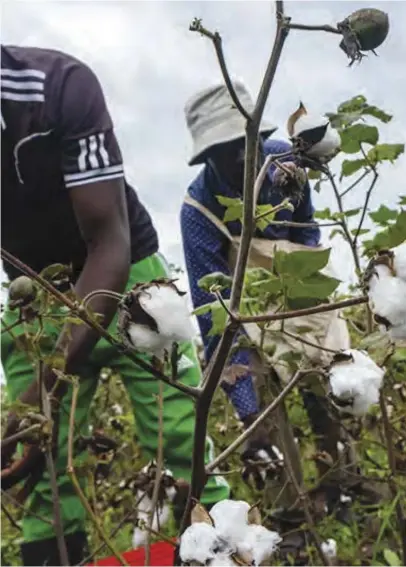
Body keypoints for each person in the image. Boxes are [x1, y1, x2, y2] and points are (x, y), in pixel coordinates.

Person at [0, 45, 229, 566]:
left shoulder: (57, 88)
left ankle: (221, 546)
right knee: (45, 468)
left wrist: (35, 397)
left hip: (128, 282)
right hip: (35, 300)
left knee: (180, 438)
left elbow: (109, 247)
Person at [180, 81, 353, 517]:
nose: (240, 155)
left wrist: (302, 292)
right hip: (246, 316)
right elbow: (212, 310)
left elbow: (307, 232)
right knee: (262, 422)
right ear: (206, 156)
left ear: (259, 133)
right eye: (225, 148)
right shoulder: (198, 211)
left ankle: (345, 494)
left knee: (330, 388)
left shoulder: (288, 163)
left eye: (246, 141)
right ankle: (289, 519)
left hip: (300, 291)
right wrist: (243, 402)